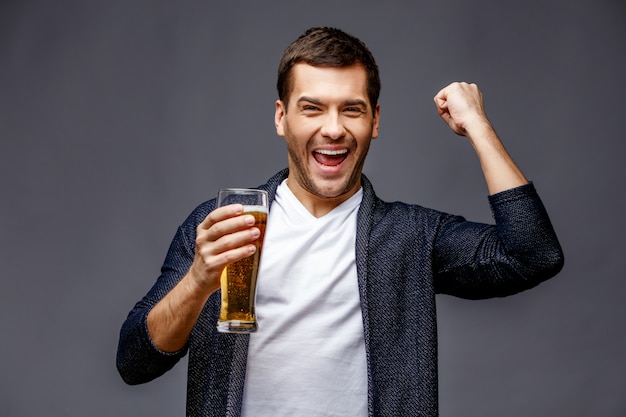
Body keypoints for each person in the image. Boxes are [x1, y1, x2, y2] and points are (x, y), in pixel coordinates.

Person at [116, 27, 564, 416]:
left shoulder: (411, 236)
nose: (333, 128)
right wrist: (197, 281)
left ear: (375, 121)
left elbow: (534, 255)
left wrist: (478, 127)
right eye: (312, 108)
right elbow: (135, 363)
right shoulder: (223, 226)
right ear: (281, 118)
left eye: (351, 109)